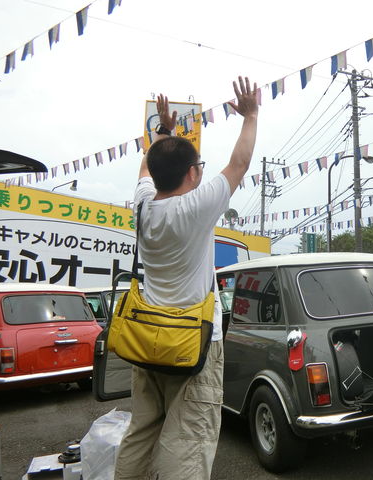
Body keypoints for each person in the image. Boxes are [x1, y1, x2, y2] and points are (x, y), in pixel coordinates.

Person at [114, 76, 258, 480]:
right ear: (193, 173)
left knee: (141, 430)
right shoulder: (196, 209)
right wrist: (251, 115)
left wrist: (163, 130)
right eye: (200, 168)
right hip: (193, 341)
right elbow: (240, 164)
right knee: (188, 440)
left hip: (147, 338)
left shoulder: (144, 206)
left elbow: (146, 165)